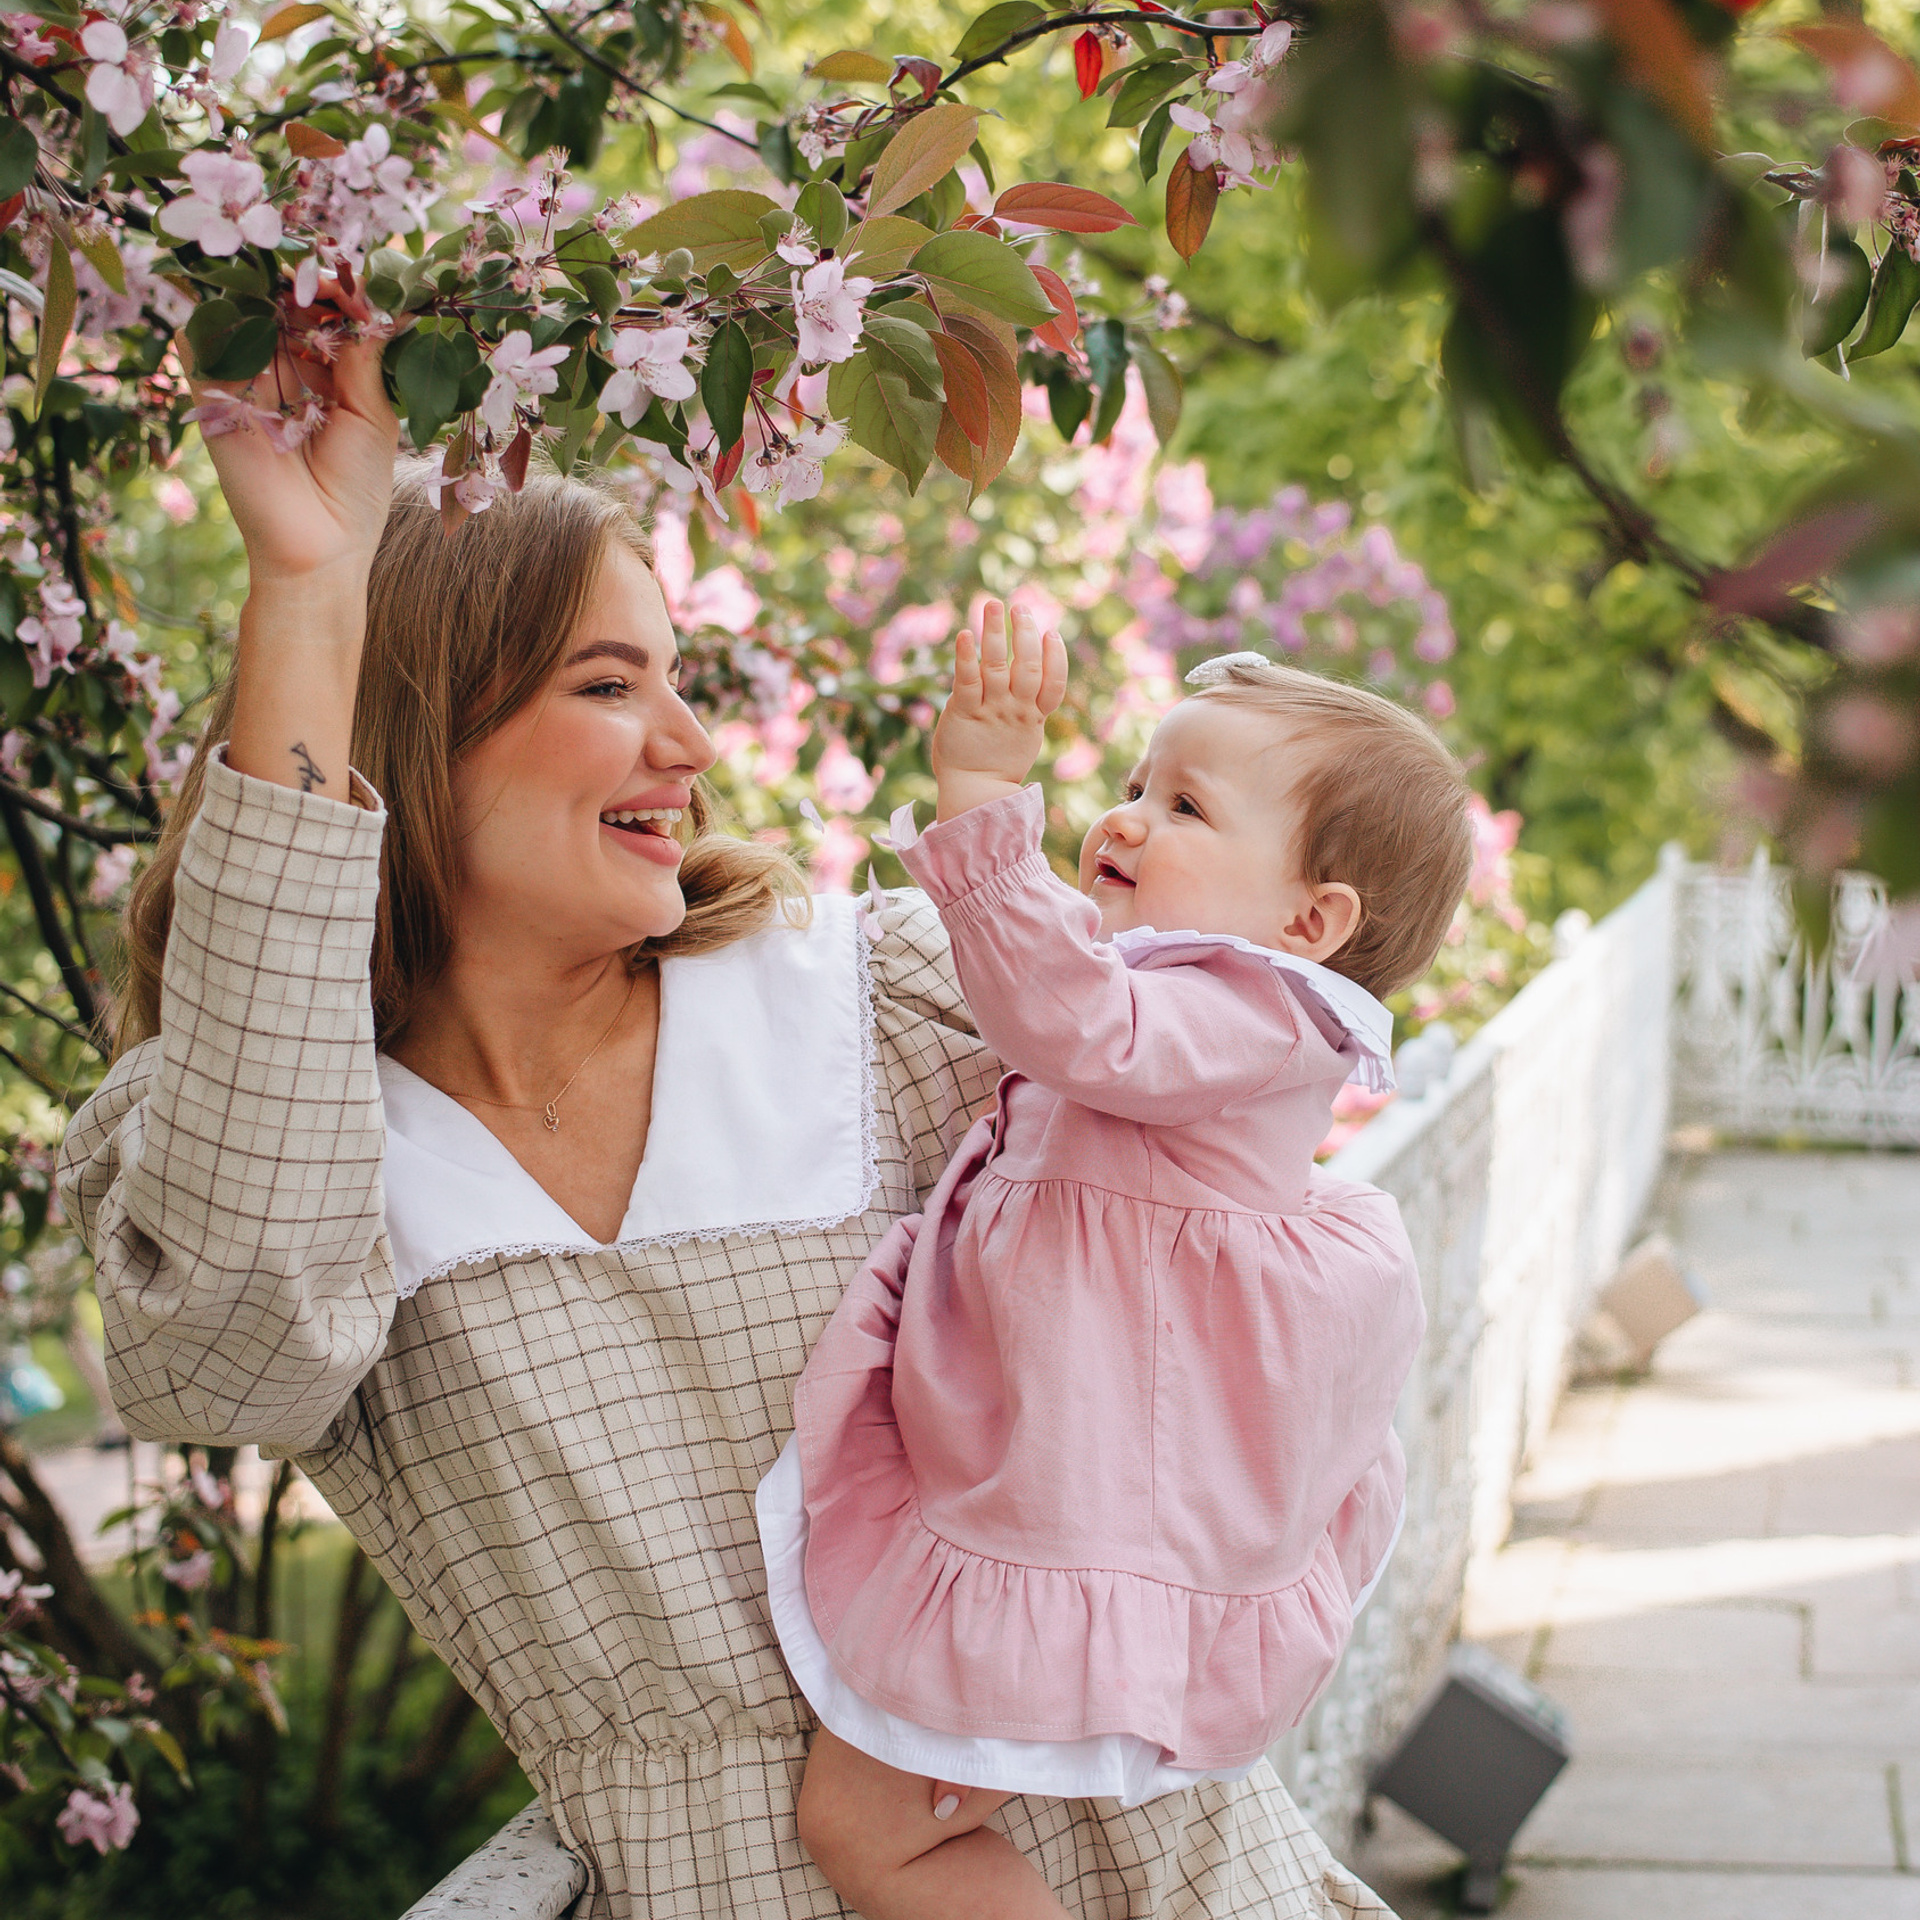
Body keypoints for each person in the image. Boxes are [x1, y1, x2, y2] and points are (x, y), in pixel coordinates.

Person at [57, 313, 1401, 1917]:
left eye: (678, 683)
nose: (690, 748)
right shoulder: (293, 1149)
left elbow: (1261, 1193)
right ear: (419, 720)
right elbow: (223, 1356)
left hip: (1179, 1877)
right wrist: (307, 594)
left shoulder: (893, 1007)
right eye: (611, 683)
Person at [762, 610, 1475, 1920]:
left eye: (1188, 807)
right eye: (1138, 784)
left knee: (864, 1830)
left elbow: (1073, 1022)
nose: (1128, 818)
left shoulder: (1254, 1010)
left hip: (1073, 1502)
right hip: (1062, 1461)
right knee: (867, 1828)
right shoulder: (1207, 996)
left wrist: (981, 793)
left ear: (1311, 919)